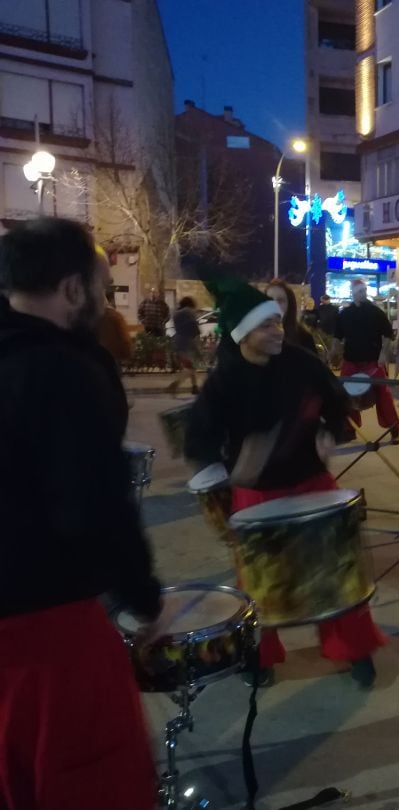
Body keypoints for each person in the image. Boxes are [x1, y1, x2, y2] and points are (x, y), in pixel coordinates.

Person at [0, 217, 162, 809]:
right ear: (73, 290)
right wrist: (143, 599)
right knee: (89, 780)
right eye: (102, 285)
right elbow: (94, 505)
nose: (104, 299)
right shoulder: (61, 371)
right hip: (47, 633)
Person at [185, 275, 385, 688]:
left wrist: (331, 430)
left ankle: (353, 648)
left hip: (312, 481)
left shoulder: (301, 362)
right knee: (259, 583)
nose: (278, 330)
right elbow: (197, 439)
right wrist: (225, 465)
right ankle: (259, 655)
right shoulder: (225, 379)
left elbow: (338, 402)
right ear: (243, 334)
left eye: (278, 322)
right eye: (266, 325)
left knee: (336, 569)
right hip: (258, 492)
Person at [335, 279, 399, 443]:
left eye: (364, 291)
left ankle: (394, 429)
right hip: (351, 361)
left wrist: (383, 354)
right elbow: (337, 337)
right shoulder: (345, 314)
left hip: (372, 361)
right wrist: (331, 354)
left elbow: (387, 335)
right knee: (345, 396)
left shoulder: (375, 312)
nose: (363, 294)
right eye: (359, 292)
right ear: (353, 293)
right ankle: (350, 429)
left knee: (384, 395)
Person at [266, 279, 318, 354]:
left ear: (289, 305)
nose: (274, 305)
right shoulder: (256, 336)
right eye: (269, 300)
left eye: (280, 301)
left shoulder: (304, 338)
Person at [165, 296, 201, 397]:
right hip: (187, 342)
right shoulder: (189, 312)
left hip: (177, 341)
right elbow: (194, 327)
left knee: (190, 366)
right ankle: (175, 384)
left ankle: (194, 387)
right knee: (189, 368)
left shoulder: (176, 313)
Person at [98, 283, 132, 368]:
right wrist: (127, 352)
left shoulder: (93, 317)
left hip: (97, 355)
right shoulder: (115, 316)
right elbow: (123, 336)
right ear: (112, 300)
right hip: (113, 354)